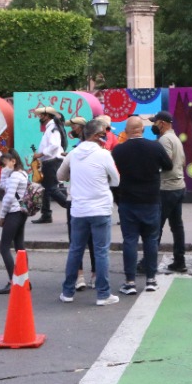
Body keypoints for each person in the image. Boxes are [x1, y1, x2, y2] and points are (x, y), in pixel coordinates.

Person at [61, 119, 121, 306]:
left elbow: (60, 176)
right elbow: (116, 180)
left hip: (79, 210)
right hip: (100, 209)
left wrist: (75, 177)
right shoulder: (104, 155)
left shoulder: (73, 153)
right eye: (103, 133)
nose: (105, 136)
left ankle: (67, 292)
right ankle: (103, 295)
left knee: (75, 250)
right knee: (101, 252)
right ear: (96, 135)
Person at [112, 116, 171, 295]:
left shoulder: (119, 150)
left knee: (129, 240)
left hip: (128, 201)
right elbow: (168, 165)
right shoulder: (155, 147)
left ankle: (130, 282)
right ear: (142, 130)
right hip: (151, 200)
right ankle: (151, 279)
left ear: (126, 131)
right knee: (151, 240)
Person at [151, 111, 188, 274]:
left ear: (162, 123)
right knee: (177, 226)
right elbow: (183, 161)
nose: (154, 125)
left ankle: (149, 262)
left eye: (155, 122)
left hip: (166, 187)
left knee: (155, 227)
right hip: (178, 186)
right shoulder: (176, 138)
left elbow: (166, 162)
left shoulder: (165, 139)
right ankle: (180, 261)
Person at [0, 149, 30, 294]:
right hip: (21, 212)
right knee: (19, 247)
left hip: (14, 213)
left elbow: (9, 197)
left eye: (6, 164)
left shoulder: (15, 175)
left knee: (4, 247)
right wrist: (4, 172)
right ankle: (24, 280)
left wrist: (2, 216)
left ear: (13, 161)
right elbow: (2, 186)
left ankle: (13, 280)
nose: (4, 167)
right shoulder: (21, 173)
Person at [31, 106, 68, 224]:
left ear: (47, 116)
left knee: (51, 189)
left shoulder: (53, 129)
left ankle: (71, 207)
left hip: (52, 161)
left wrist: (40, 154)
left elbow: (54, 145)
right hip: (51, 161)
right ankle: (46, 214)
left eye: (41, 115)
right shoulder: (50, 128)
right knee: (46, 189)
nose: (39, 117)